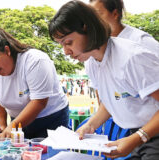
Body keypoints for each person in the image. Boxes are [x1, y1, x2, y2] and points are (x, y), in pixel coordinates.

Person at [48, 1, 159, 159]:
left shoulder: (132, 58)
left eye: (68, 43)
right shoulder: (92, 62)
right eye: (61, 45)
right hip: (137, 133)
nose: (66, 52)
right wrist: (90, 125)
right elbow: (111, 99)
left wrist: (139, 137)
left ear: (87, 28)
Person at [0, 27, 69, 139]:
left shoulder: (35, 60)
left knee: (49, 155)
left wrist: (13, 125)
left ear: (7, 51)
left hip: (50, 119)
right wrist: (3, 126)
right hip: (17, 121)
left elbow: (39, 102)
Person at [89, 0, 159, 52]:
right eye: (91, 15)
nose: (93, 20)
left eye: (98, 14)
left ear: (115, 14)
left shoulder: (141, 41)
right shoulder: (98, 47)